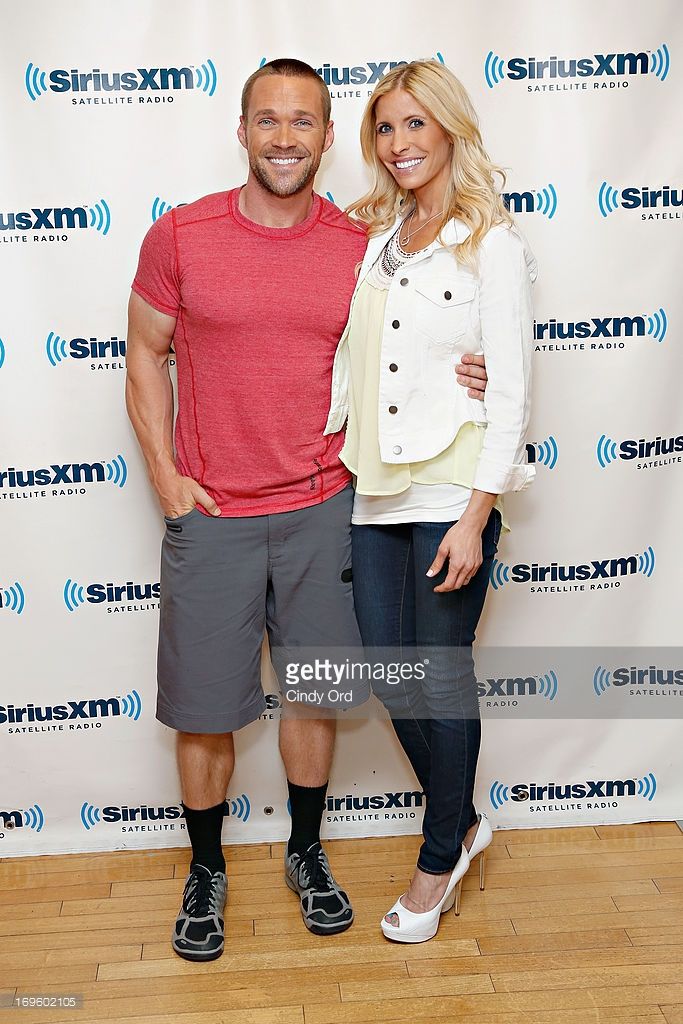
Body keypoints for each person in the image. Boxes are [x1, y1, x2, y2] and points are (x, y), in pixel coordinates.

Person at [125, 58, 488, 962]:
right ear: (241, 130)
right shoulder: (181, 235)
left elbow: (413, 341)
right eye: (267, 120)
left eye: (302, 122)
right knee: (205, 710)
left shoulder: (360, 246)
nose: (283, 138)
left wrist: (477, 370)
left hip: (327, 508)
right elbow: (143, 354)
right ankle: (205, 867)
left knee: (315, 695)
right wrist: (167, 479)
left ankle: (304, 851)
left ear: (328, 138)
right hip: (211, 512)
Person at [323, 59, 537, 943]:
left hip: (451, 485)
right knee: (390, 670)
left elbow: (511, 390)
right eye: (384, 127)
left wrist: (476, 516)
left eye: (415, 123)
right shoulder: (379, 238)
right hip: (377, 482)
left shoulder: (492, 244)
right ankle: (467, 820)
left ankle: (437, 857)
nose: (398, 142)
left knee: (439, 670)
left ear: (449, 128)